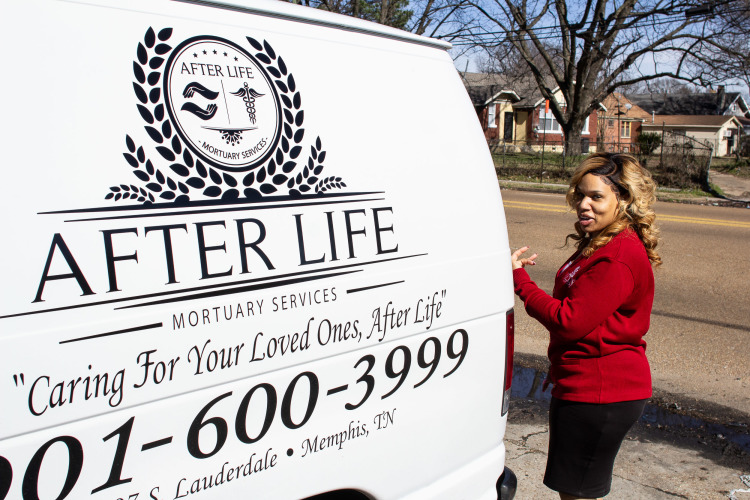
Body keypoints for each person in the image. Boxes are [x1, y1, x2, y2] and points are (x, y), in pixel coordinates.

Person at [511, 152, 661, 500]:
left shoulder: (618, 254)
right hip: (587, 383)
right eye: (580, 194)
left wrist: (520, 281)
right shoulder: (601, 242)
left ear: (623, 199)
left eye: (596, 196)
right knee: (574, 492)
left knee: (576, 494)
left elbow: (569, 320)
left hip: (602, 392)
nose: (584, 204)